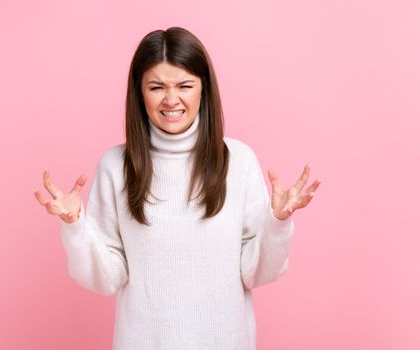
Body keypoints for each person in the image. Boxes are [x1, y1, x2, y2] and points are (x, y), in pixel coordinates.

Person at [33, 26, 321, 350]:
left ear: (204, 89)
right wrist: (75, 227)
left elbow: (257, 273)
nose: (172, 100)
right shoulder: (116, 166)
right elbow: (106, 278)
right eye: (157, 87)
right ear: (140, 93)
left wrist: (278, 223)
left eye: (185, 85)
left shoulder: (237, 161)